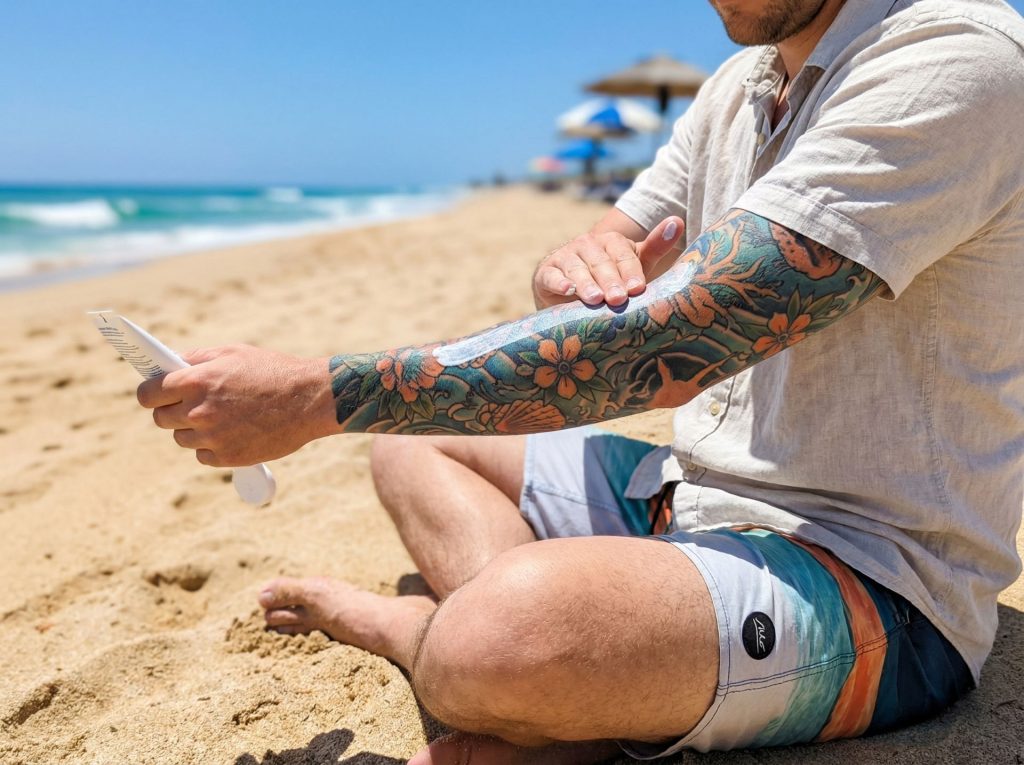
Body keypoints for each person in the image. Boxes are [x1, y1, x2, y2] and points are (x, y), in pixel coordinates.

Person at [136, 0, 1024, 762]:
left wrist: (314, 396)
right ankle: (574, 695)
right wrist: (570, 270)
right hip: (692, 497)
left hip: (876, 577)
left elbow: (675, 345)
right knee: (414, 444)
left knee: (501, 635)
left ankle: (424, 638)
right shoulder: (741, 84)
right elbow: (596, 263)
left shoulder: (952, 59)